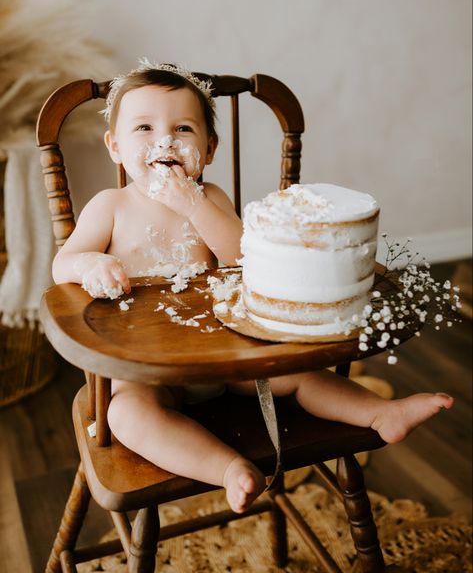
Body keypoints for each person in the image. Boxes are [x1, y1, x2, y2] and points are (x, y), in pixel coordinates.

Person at [52, 60, 454, 514]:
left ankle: (381, 413)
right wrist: (91, 264)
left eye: (183, 128)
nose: (164, 140)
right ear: (115, 147)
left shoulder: (213, 199)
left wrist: (195, 205)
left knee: (299, 376)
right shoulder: (110, 206)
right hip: (148, 367)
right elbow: (62, 263)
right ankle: (225, 468)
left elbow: (244, 258)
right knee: (126, 414)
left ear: (209, 148)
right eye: (144, 127)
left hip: (226, 356)